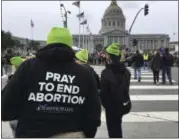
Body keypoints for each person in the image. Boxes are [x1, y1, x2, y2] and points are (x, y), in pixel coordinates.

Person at [2, 27, 101, 138]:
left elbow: (6, 107)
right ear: (70, 46)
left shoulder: (28, 68)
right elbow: (94, 114)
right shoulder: (85, 73)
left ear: (48, 43)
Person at [100, 43, 131, 138]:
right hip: (123, 104)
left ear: (110, 56)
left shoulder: (106, 73)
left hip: (111, 107)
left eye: (107, 54)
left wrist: (107, 106)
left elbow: (104, 94)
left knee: (113, 130)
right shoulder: (126, 71)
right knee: (117, 126)